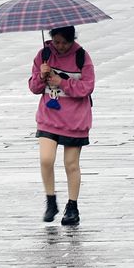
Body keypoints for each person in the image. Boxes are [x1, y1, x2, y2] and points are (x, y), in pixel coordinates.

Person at [28, 26, 94, 226]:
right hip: (49, 116)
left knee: (71, 164)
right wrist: (41, 75)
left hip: (75, 120)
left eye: (64, 42)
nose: (60, 46)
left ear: (72, 39)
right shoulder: (44, 55)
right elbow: (33, 88)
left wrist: (62, 82)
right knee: (46, 160)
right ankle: (51, 201)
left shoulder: (82, 57)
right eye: (56, 42)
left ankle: (72, 207)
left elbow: (87, 86)